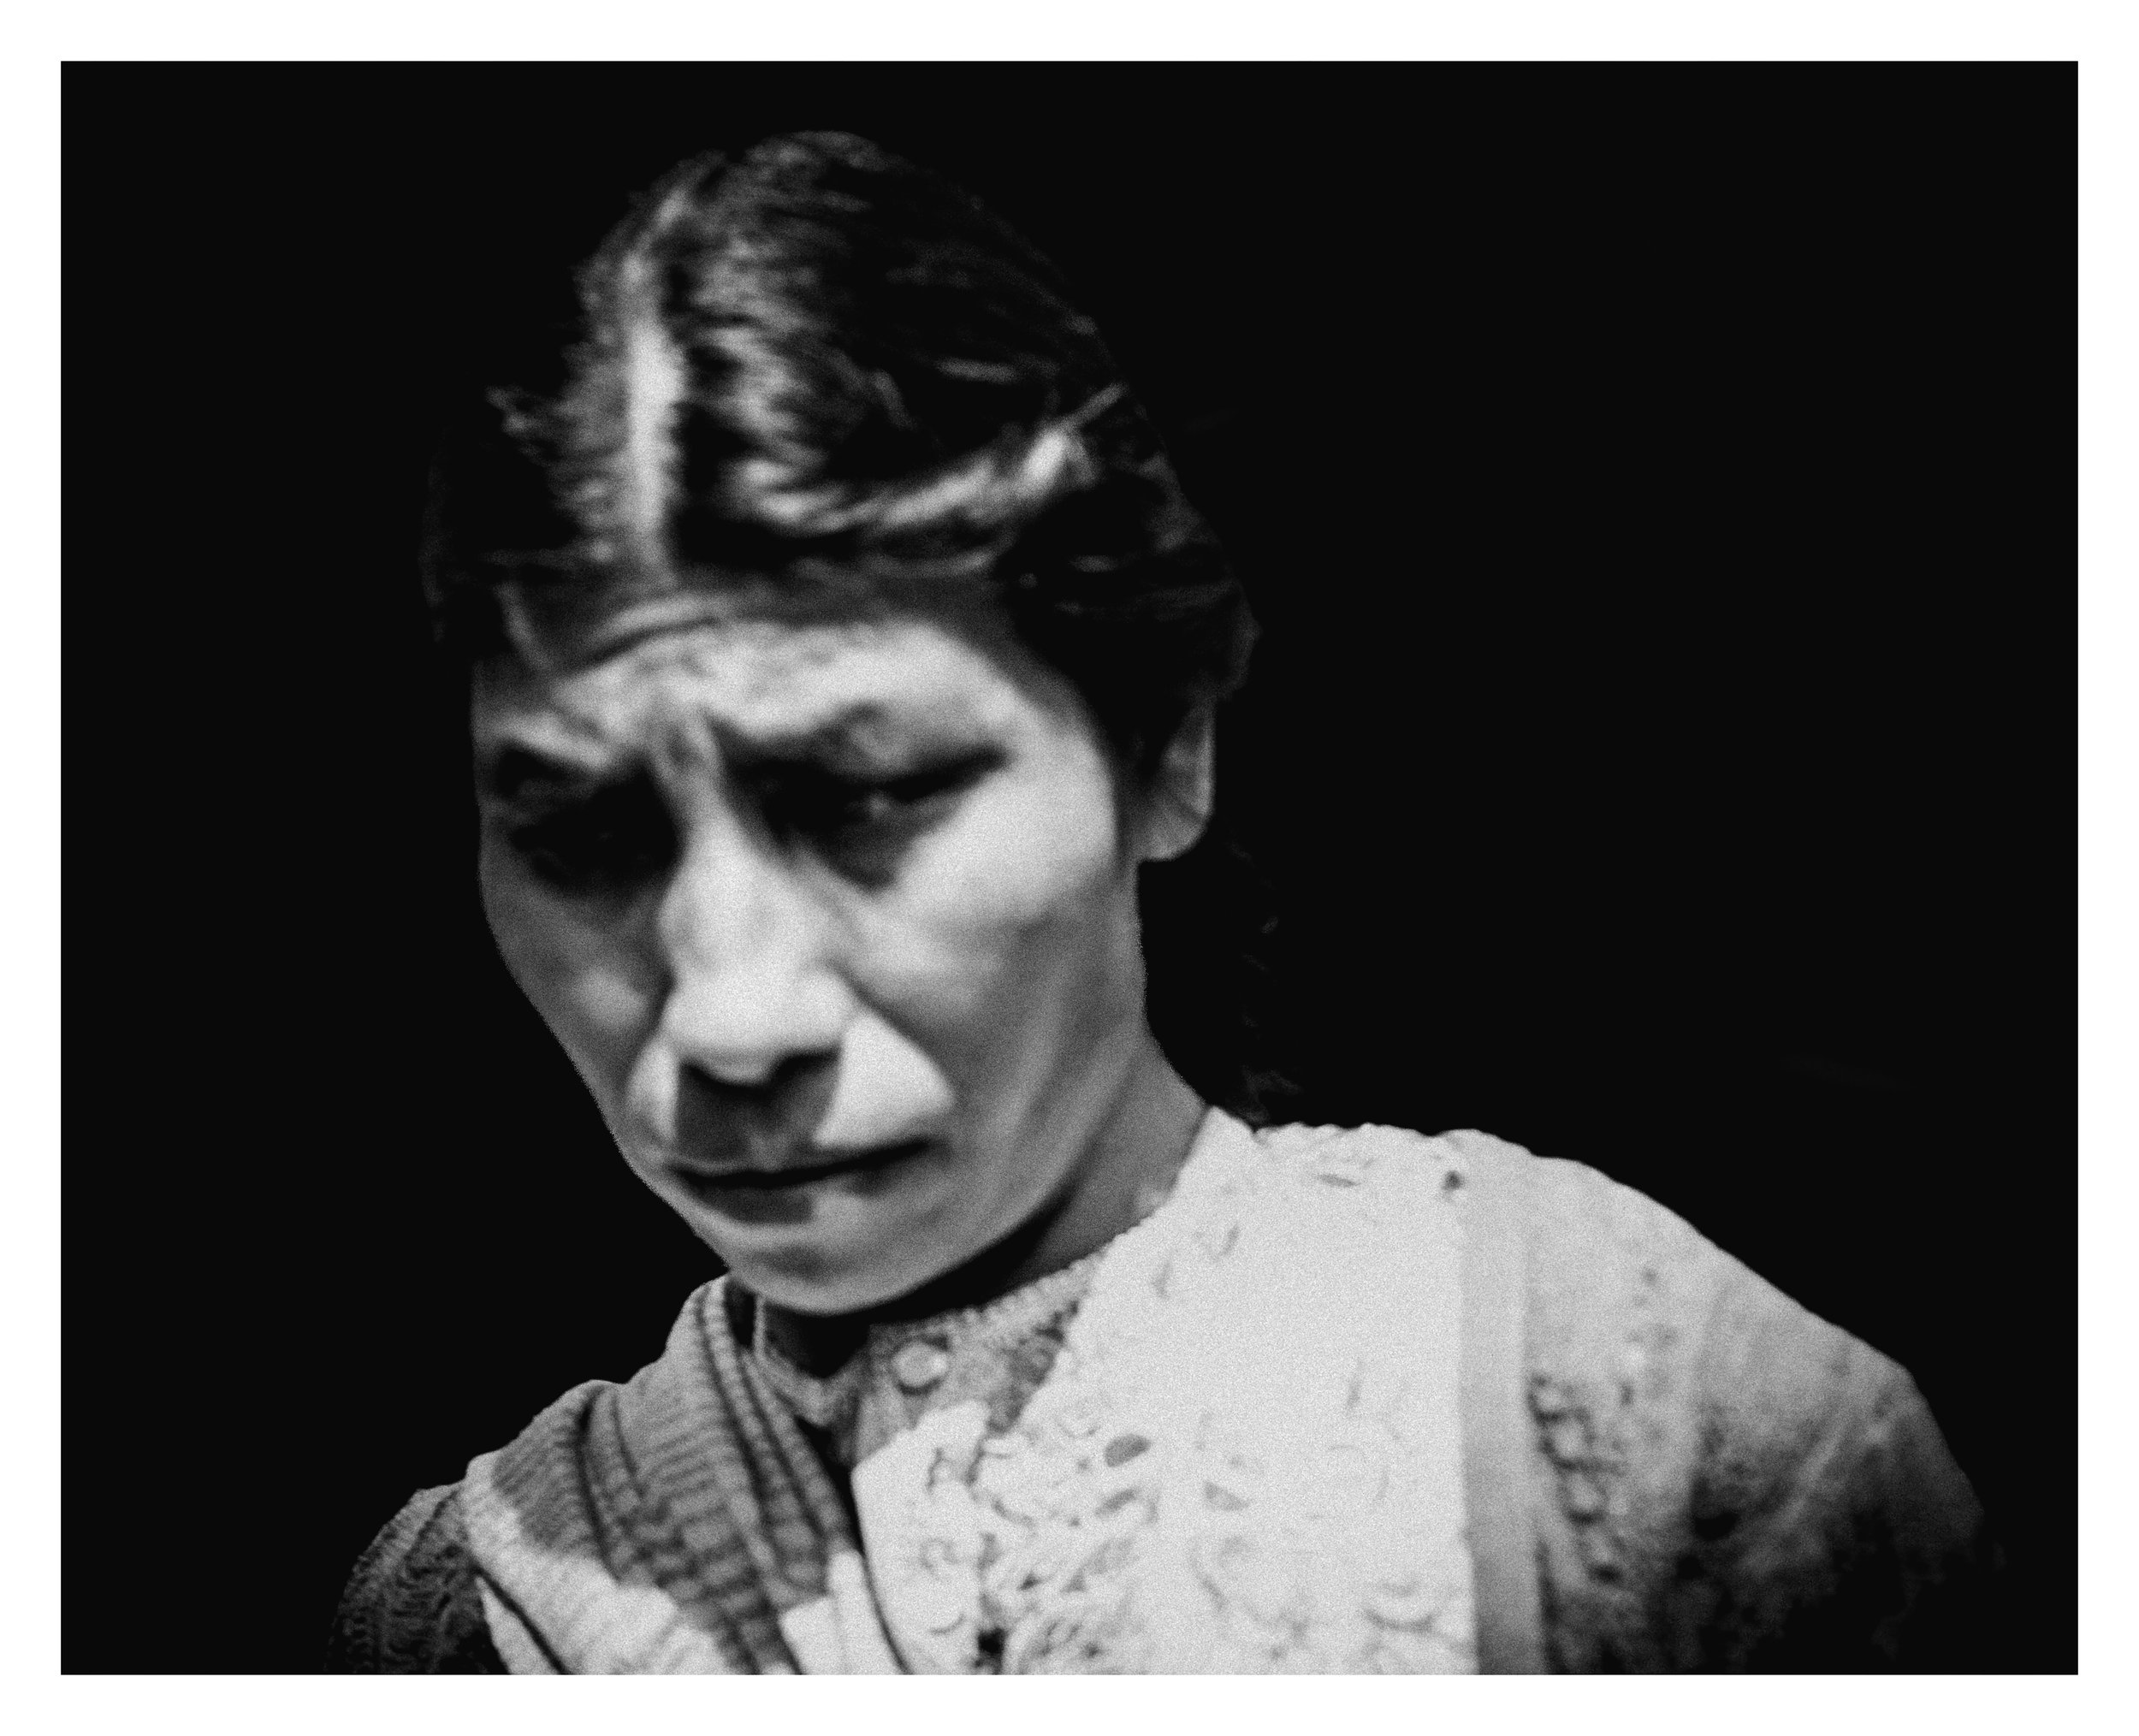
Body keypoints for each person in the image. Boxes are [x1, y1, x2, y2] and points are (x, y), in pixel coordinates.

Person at [329, 131, 1994, 1674]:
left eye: (868, 799)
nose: (731, 1016)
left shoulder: (1627, 1399)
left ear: (1165, 747)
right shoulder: (463, 1616)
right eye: (579, 836)